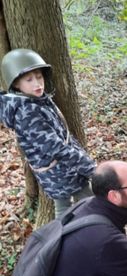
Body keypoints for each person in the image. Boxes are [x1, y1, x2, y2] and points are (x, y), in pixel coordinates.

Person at [0, 48, 96, 218]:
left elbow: (61, 133)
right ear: (16, 84)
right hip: (58, 172)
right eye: (29, 80)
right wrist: (89, 167)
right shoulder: (27, 113)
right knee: (71, 209)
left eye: (39, 77)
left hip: (65, 169)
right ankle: (65, 240)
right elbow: (56, 147)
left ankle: (82, 233)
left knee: (84, 203)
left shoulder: (38, 101)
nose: (37, 84)